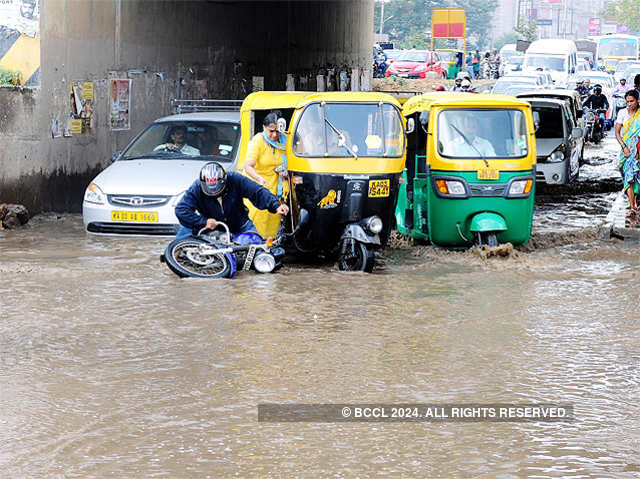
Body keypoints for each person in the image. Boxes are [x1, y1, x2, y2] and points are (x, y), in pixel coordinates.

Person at [174, 162, 289, 239]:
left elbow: (257, 191)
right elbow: (181, 210)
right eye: (210, 190)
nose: (214, 193)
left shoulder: (235, 179)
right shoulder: (197, 187)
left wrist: (275, 205)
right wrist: (203, 221)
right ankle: (174, 255)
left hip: (240, 225)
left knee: (256, 246)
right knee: (179, 243)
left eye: (217, 189)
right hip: (208, 225)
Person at [244, 111, 290, 238]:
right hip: (258, 189)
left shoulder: (285, 140)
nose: (275, 135)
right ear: (264, 128)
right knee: (257, 230)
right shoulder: (258, 141)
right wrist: (259, 178)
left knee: (272, 231)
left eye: (277, 131)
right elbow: (248, 166)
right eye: (271, 131)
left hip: (277, 191)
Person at [615, 89, 640, 219]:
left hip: (639, 151)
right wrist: (624, 147)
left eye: (632, 101)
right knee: (628, 178)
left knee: (638, 178)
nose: (629, 104)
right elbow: (617, 133)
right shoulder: (622, 113)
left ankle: (637, 203)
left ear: (638, 101)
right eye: (627, 102)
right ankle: (632, 207)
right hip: (627, 152)